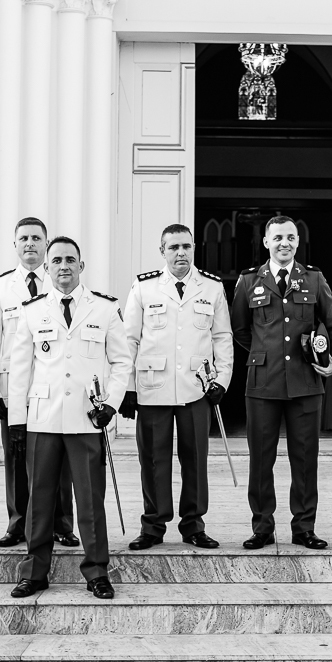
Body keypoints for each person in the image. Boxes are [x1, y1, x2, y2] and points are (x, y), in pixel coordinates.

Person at [7, 236, 131, 600]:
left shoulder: (105, 309)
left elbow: (122, 362)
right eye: (56, 260)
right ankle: (34, 572)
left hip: (85, 419)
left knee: (91, 500)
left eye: (70, 260)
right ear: (46, 267)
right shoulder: (31, 310)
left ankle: (96, 572)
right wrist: (17, 420)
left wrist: (111, 403)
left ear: (81, 265)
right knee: (39, 500)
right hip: (43, 420)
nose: (63, 266)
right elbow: (20, 368)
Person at [231, 216, 332, 550]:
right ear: (266, 242)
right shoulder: (249, 280)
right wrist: (263, 353)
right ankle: (262, 526)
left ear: (298, 241)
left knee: (306, 458)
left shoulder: (314, 277)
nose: (285, 243)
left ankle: (304, 527)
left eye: (291, 237)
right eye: (278, 237)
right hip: (263, 383)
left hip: (305, 382)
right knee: (261, 459)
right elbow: (240, 328)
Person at [120, 223, 234, 551]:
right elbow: (130, 339)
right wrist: (127, 387)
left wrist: (222, 380)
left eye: (186, 246)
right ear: (162, 252)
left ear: (194, 248)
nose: (180, 252)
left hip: (196, 388)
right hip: (153, 387)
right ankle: (153, 525)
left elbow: (222, 337)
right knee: (154, 459)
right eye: (173, 247)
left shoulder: (211, 288)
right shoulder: (144, 288)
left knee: (195, 458)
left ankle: (193, 525)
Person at [0, 217, 78, 549]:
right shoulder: (0, 287)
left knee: (60, 458)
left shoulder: (61, 280)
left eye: (37, 238)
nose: (30, 244)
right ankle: (18, 522)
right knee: (17, 458)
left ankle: (62, 523)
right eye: (24, 238)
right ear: (15, 245)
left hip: (55, 386)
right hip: (14, 391)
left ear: (46, 245)